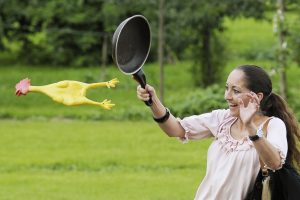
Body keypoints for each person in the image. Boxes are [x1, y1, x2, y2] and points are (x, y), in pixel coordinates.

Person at [136, 64, 300, 200]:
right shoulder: (222, 119)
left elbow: (275, 163)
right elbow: (175, 129)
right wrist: (153, 101)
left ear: (257, 97)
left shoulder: (273, 125)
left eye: (236, 91)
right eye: (227, 88)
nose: (227, 96)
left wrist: (250, 126)